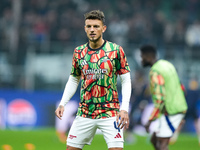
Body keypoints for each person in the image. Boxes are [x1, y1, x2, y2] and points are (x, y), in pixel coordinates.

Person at [55, 10, 131, 150]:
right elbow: (73, 79)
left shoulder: (115, 50)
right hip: (85, 112)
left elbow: (126, 80)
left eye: (96, 26)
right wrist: (62, 103)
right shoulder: (79, 52)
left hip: (110, 112)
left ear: (104, 28)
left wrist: (124, 108)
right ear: (84, 28)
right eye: (89, 26)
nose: (92, 30)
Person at [140, 45, 188, 150]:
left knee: (162, 143)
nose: (141, 60)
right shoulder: (167, 65)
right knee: (154, 139)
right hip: (177, 107)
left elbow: (160, 100)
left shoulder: (155, 71)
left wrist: (150, 121)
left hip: (171, 110)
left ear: (148, 56)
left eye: (142, 56)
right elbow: (181, 87)